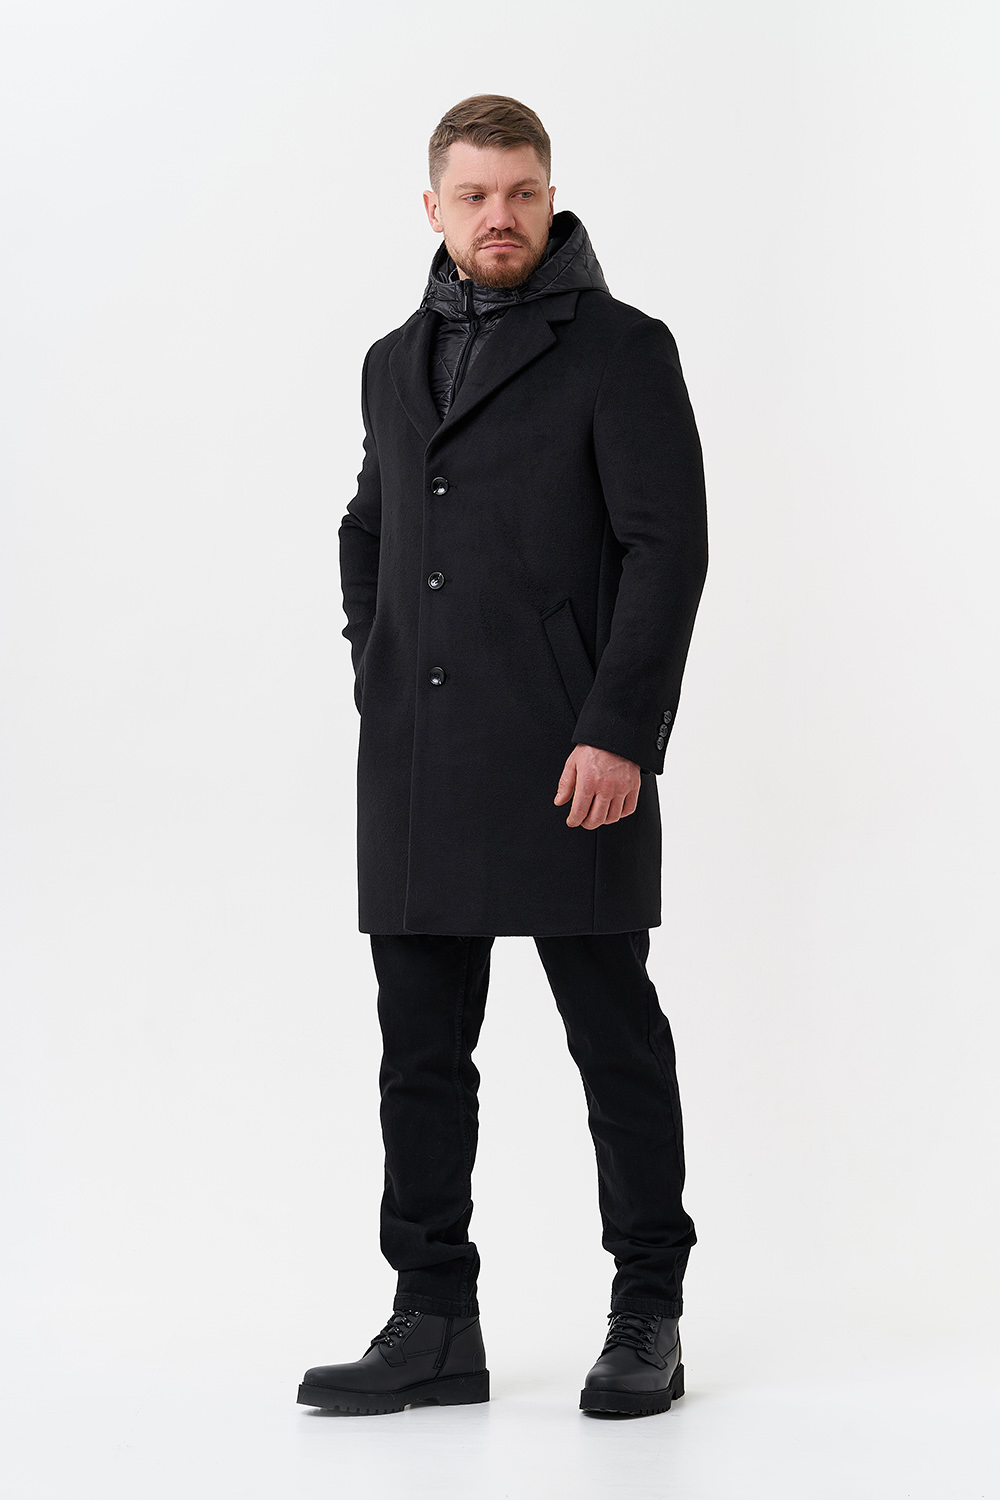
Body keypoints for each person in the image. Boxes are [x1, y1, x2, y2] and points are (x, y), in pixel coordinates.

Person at [297, 93, 709, 1418]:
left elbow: (666, 551)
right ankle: (433, 1322)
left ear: (551, 197)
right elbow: (369, 525)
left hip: (569, 757)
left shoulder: (623, 349)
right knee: (419, 1054)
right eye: (474, 195)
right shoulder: (391, 360)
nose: (500, 217)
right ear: (433, 207)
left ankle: (648, 1310)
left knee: (614, 1041)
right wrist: (376, 665)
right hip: (419, 761)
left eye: (522, 192)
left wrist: (619, 729)